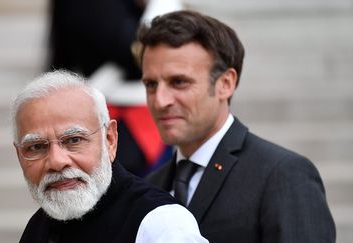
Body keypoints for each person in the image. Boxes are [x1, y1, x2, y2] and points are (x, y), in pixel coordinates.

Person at [137, 10, 336, 243]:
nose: (160, 100)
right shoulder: (150, 186)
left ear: (226, 83)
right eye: (151, 84)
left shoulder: (283, 175)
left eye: (179, 82)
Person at [11, 70, 208, 243]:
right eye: (36, 147)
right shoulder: (38, 227)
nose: (56, 161)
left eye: (73, 140)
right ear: (19, 155)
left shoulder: (160, 226)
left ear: (110, 139)